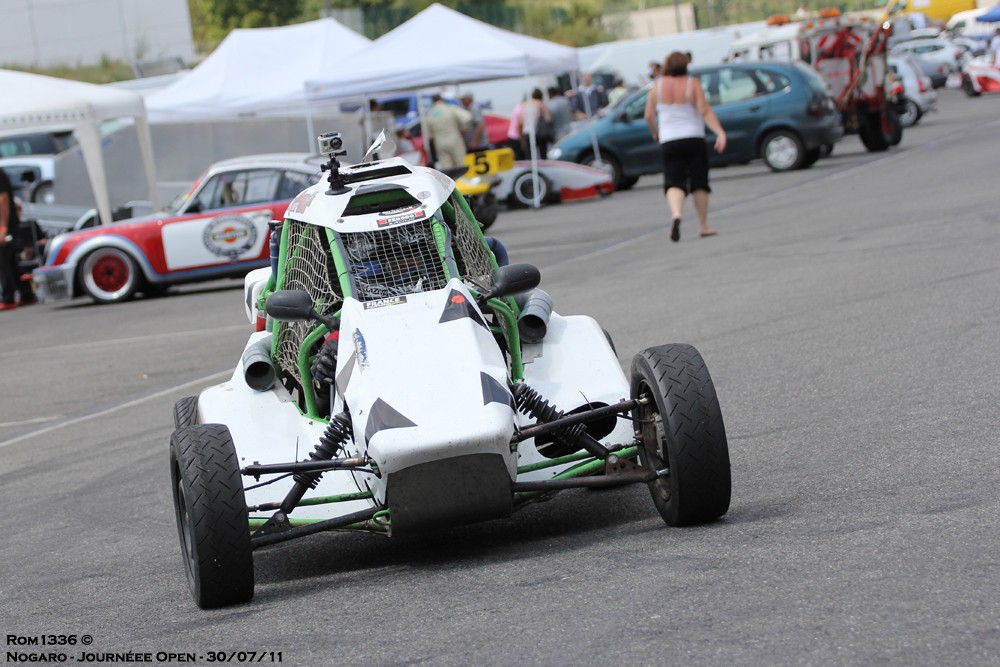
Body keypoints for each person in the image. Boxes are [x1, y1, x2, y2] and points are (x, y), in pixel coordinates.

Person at [643, 51, 727, 242]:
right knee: (699, 182)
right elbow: (704, 110)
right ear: (685, 65)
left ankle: (676, 215)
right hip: (693, 137)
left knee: (674, 181)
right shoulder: (693, 84)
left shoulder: (658, 86)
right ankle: (702, 225)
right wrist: (720, 132)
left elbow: (648, 115)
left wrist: (656, 132)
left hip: (669, 139)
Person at [0, 169, 36, 309]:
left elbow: (3, 199)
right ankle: (26, 293)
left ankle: (8, 298)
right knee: (10, 260)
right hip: (6, 223)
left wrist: (3, 226)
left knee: (3, 259)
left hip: (5, 223)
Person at [424, 94, 473, 169]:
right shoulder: (450, 108)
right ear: (442, 99)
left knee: (447, 169)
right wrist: (463, 130)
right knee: (461, 165)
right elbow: (467, 117)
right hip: (454, 139)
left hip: (439, 142)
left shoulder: (429, 114)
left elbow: (429, 135)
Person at [518, 88, 554, 159]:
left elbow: (520, 122)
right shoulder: (540, 104)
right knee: (543, 154)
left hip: (527, 132)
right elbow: (548, 119)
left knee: (530, 156)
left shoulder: (525, 105)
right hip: (539, 133)